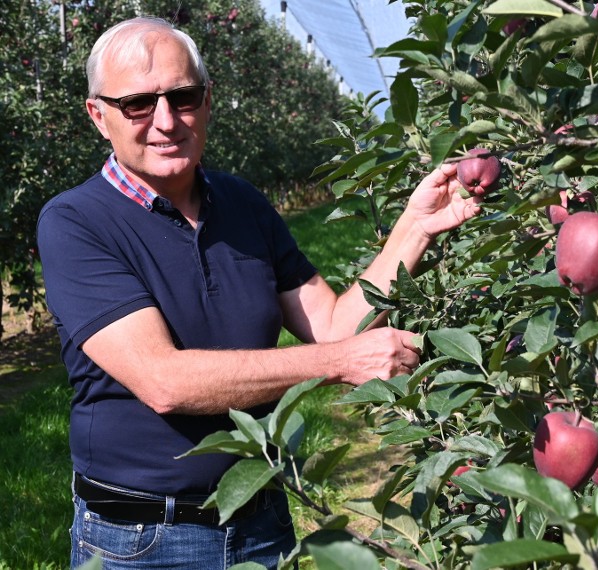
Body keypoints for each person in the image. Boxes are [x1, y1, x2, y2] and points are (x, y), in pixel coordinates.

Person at [36, 16, 481, 569]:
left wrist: (415, 226)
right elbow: (163, 381)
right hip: (144, 539)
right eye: (138, 105)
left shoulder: (242, 204)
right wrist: (341, 363)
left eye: (184, 96)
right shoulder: (76, 223)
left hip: (260, 518)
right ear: (98, 115)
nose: (167, 121)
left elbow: (334, 324)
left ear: (208, 100)